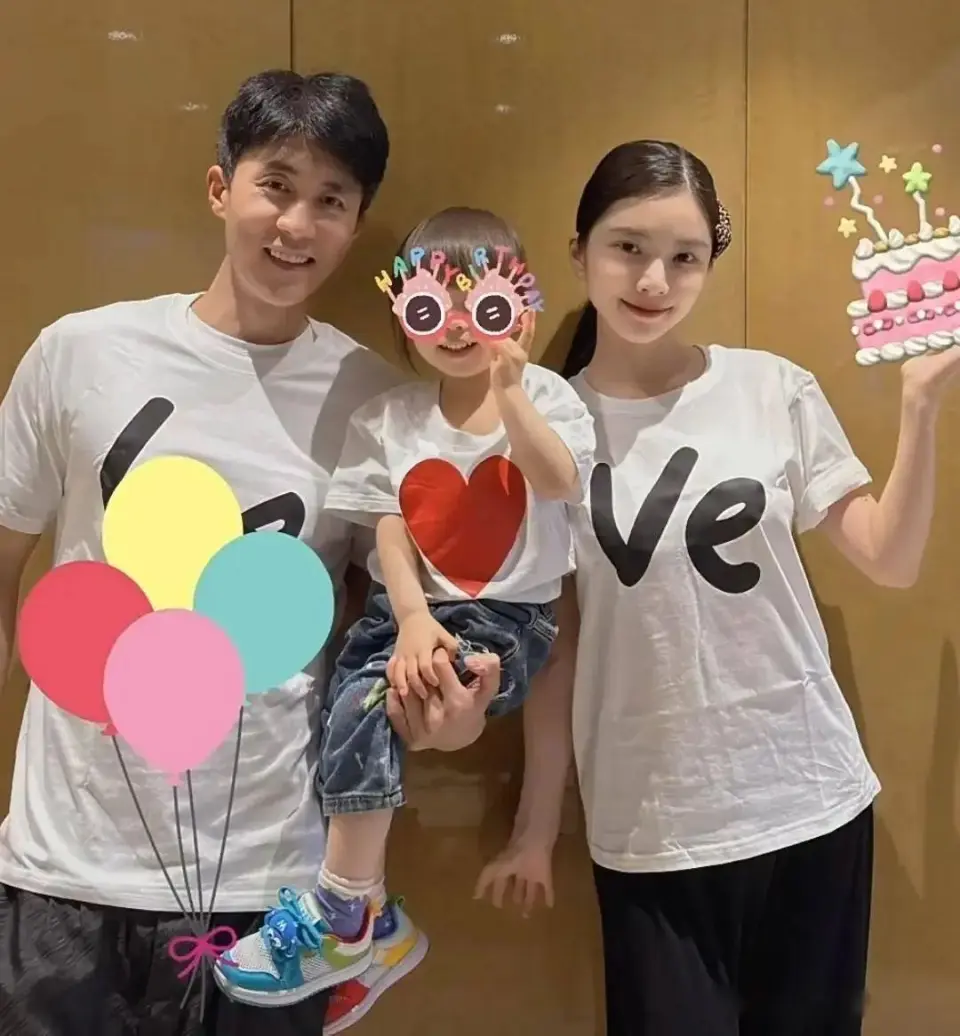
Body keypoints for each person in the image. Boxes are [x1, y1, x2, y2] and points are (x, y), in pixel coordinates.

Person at [0, 69, 501, 1036]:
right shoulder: (81, 354)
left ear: (356, 226)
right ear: (220, 187)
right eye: (275, 185)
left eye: (331, 201)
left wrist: (453, 716)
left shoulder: (376, 404)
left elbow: (404, 643)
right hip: (65, 873)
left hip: (269, 900)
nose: (297, 225)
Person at [472, 139, 960, 1035]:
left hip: (810, 799)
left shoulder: (770, 387)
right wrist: (537, 828)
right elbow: (560, 646)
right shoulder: (547, 427)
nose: (653, 280)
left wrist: (921, 406)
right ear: (579, 252)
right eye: (628, 247)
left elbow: (889, 559)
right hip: (651, 825)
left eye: (684, 257)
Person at [214, 206, 596, 1006]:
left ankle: (345, 911)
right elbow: (387, 527)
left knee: (393, 700)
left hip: (509, 621)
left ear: (520, 305)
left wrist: (511, 391)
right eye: (429, 307)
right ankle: (369, 913)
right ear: (402, 313)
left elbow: (560, 481)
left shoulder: (550, 397)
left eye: (482, 306)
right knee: (349, 707)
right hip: (405, 613)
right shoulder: (387, 418)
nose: (455, 326)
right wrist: (414, 619)